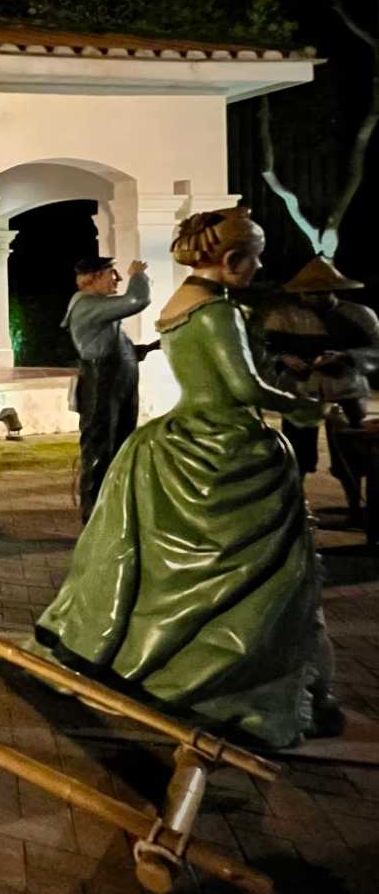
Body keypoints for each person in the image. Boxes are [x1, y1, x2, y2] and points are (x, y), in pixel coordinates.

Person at [31, 208, 340, 748]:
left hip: (177, 440)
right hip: (226, 446)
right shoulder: (217, 311)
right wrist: (304, 404)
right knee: (266, 575)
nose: (260, 265)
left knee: (164, 564)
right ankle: (219, 676)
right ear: (233, 259)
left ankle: (143, 656)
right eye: (255, 256)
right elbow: (242, 388)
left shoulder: (180, 307)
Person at [261, 256, 379, 524]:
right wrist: (283, 360)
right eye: (309, 292)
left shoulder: (359, 315)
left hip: (347, 390)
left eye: (321, 291)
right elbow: (264, 353)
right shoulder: (283, 317)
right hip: (301, 391)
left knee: (353, 455)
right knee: (297, 453)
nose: (314, 297)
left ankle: (357, 509)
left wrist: (345, 356)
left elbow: (376, 351)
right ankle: (297, 508)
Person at [62, 256, 158, 524]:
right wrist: (138, 275)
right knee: (100, 447)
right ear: (91, 279)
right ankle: (93, 514)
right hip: (101, 384)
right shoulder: (87, 305)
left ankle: (112, 507)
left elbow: (109, 343)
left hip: (115, 382)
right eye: (111, 274)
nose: (117, 279)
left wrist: (139, 350)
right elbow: (137, 301)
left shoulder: (98, 306)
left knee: (119, 444)